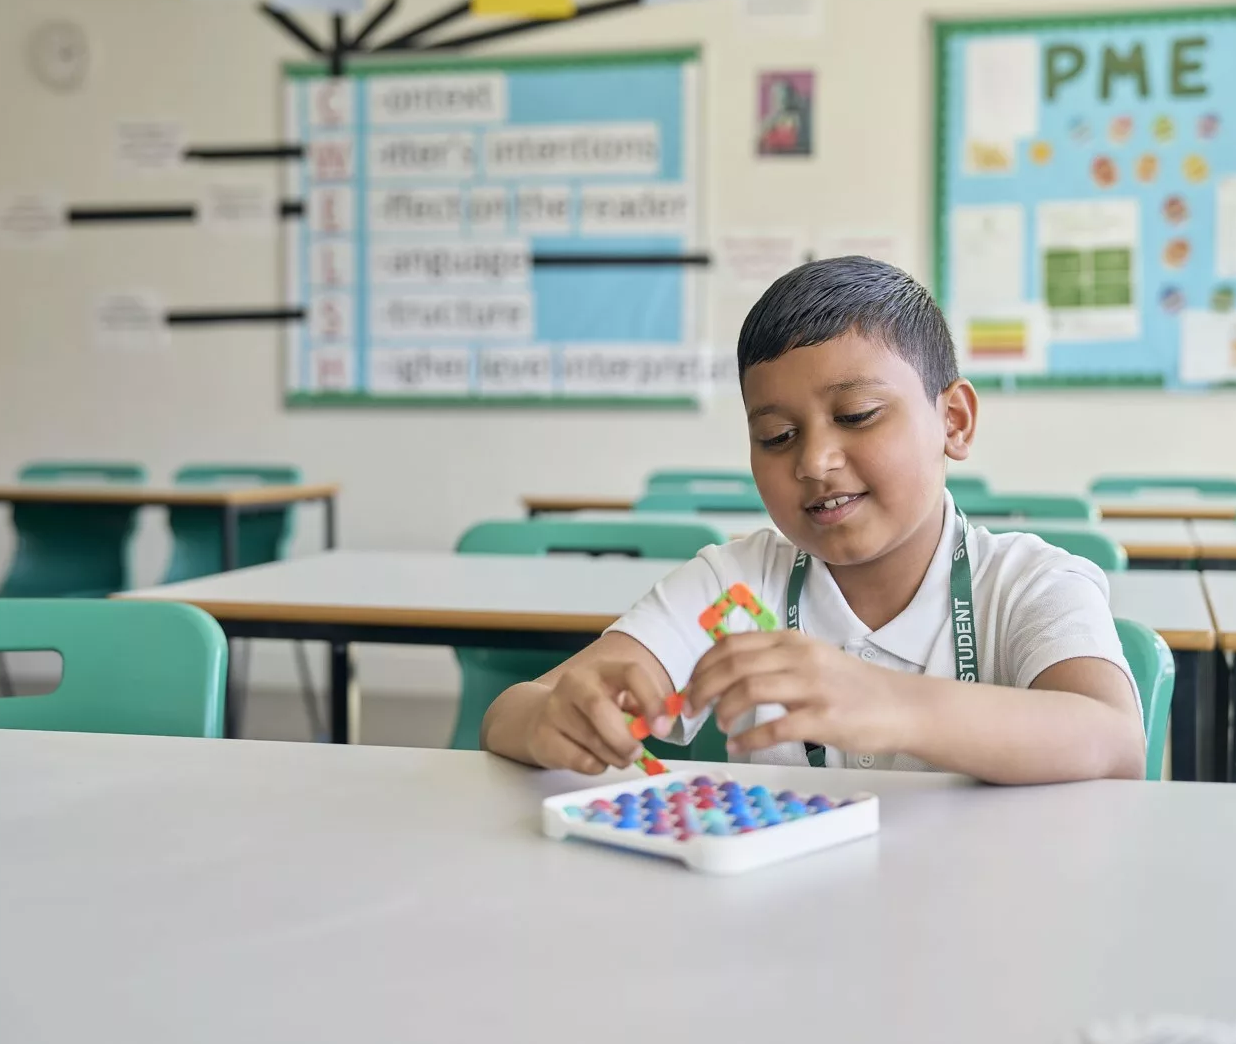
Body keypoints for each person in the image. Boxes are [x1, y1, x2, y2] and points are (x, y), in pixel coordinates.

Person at [483, 256, 1145, 782]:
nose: (816, 461)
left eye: (857, 416)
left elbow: (1113, 743)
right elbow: (509, 712)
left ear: (954, 420)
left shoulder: (1029, 583)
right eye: (776, 436)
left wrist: (889, 704)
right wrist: (553, 719)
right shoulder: (733, 587)